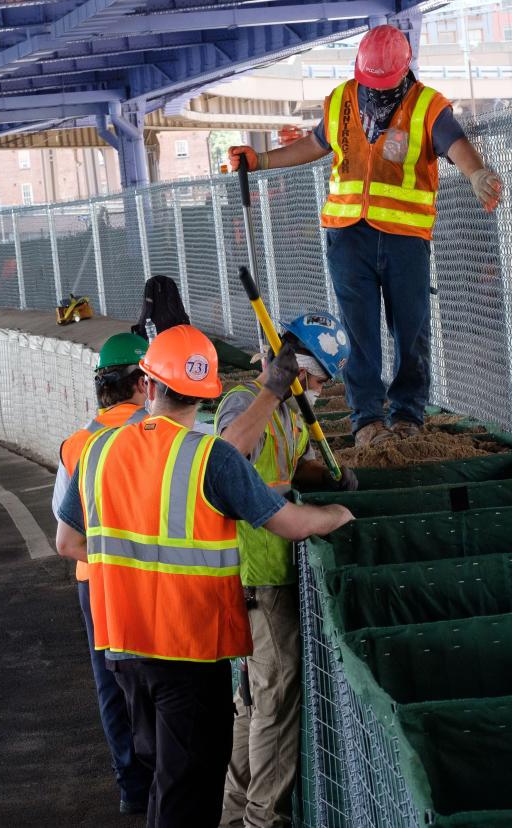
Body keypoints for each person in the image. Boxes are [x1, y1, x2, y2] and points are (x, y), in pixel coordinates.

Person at [55, 324, 354, 828]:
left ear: (148, 385)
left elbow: (67, 542)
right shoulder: (209, 457)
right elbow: (291, 523)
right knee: (186, 796)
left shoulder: (98, 452)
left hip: (124, 651)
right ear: (209, 394)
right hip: (190, 649)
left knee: (166, 782)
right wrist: (339, 514)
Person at [228, 24, 502, 448]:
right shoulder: (341, 99)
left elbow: (455, 143)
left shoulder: (427, 106)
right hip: (347, 235)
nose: (374, 90)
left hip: (403, 237)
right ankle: (367, 421)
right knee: (359, 333)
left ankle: (408, 415)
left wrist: (476, 172)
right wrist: (260, 159)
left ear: (403, 70)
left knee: (410, 329)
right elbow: (316, 144)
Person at [216, 313, 357, 828]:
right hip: (258, 575)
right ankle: (260, 821)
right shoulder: (247, 402)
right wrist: (273, 391)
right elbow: (228, 458)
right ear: (295, 367)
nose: (321, 391)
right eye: (319, 380)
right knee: (272, 706)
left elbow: (285, 467)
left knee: (255, 701)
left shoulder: (290, 414)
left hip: (274, 571)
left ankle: (233, 816)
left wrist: (329, 476)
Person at [52, 331, 153, 815]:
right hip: (152, 574)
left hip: (94, 580)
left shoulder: (76, 444)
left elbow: (63, 521)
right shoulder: (159, 430)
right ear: (141, 383)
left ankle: (131, 786)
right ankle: (167, 781)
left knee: (110, 684)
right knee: (164, 677)